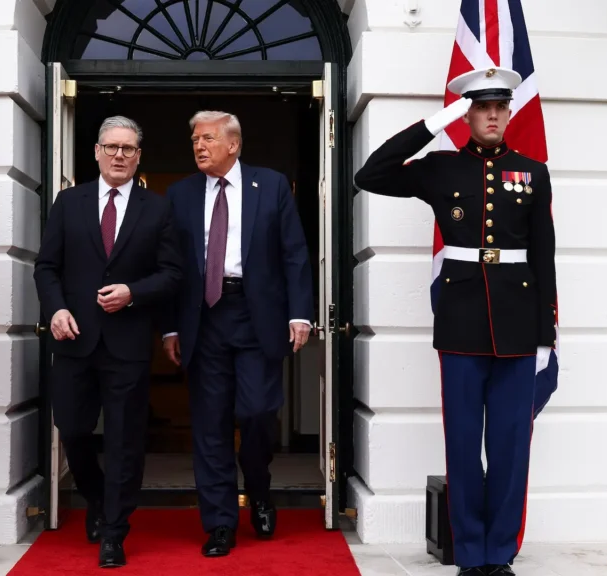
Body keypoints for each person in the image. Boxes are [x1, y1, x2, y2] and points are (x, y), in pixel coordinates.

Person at [353, 67, 557, 576]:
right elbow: (370, 174)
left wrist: (546, 334)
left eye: (499, 108)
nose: (491, 115)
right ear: (466, 114)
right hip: (462, 320)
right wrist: (432, 124)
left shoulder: (532, 171)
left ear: (509, 113)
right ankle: (469, 554)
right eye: (481, 108)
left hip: (517, 321)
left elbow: (544, 254)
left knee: (510, 446)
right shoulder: (440, 167)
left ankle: (499, 554)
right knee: (463, 444)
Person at [162, 110, 313, 557]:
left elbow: (295, 254)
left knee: (257, 412)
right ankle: (220, 523)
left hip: (256, 314)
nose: (199, 146)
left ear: (234, 144)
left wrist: (299, 314)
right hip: (202, 318)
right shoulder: (180, 194)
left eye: (207, 138)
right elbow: (171, 265)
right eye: (194, 140)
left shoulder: (270, 186)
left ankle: (260, 488)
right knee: (209, 425)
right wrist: (171, 325)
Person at [33, 116, 182, 568]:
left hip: (127, 344)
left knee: (123, 441)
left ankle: (115, 530)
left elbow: (174, 274)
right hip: (74, 339)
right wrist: (56, 309)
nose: (119, 155)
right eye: (112, 147)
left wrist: (133, 292)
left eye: (129, 148)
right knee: (73, 429)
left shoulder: (157, 208)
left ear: (139, 157)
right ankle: (96, 499)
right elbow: (46, 267)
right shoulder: (68, 202)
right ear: (96, 151)